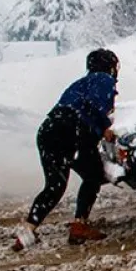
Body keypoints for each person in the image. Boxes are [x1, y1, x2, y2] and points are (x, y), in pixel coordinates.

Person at [12, 49, 120, 251]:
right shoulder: (103, 79)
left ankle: (27, 231)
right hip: (73, 131)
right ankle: (80, 225)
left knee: (55, 186)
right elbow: (94, 105)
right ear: (110, 66)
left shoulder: (80, 83)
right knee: (94, 175)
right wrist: (105, 127)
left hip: (48, 130)